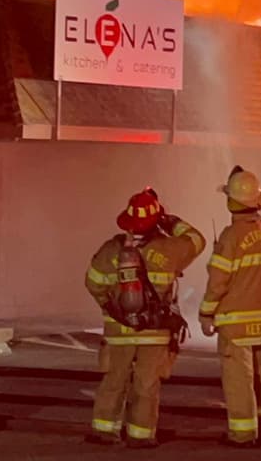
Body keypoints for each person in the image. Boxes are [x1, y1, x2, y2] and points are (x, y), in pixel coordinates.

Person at [85, 188, 205, 448]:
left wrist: (112, 309)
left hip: (119, 331)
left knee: (114, 379)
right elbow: (197, 239)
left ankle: (104, 430)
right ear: (155, 220)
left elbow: (93, 283)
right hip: (155, 332)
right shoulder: (171, 249)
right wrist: (169, 220)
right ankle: (140, 435)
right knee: (147, 383)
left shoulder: (110, 250)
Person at [200, 166, 261, 448]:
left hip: (236, 319)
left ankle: (242, 434)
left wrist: (206, 313)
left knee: (239, 378)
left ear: (231, 201)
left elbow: (218, 282)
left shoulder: (231, 237)